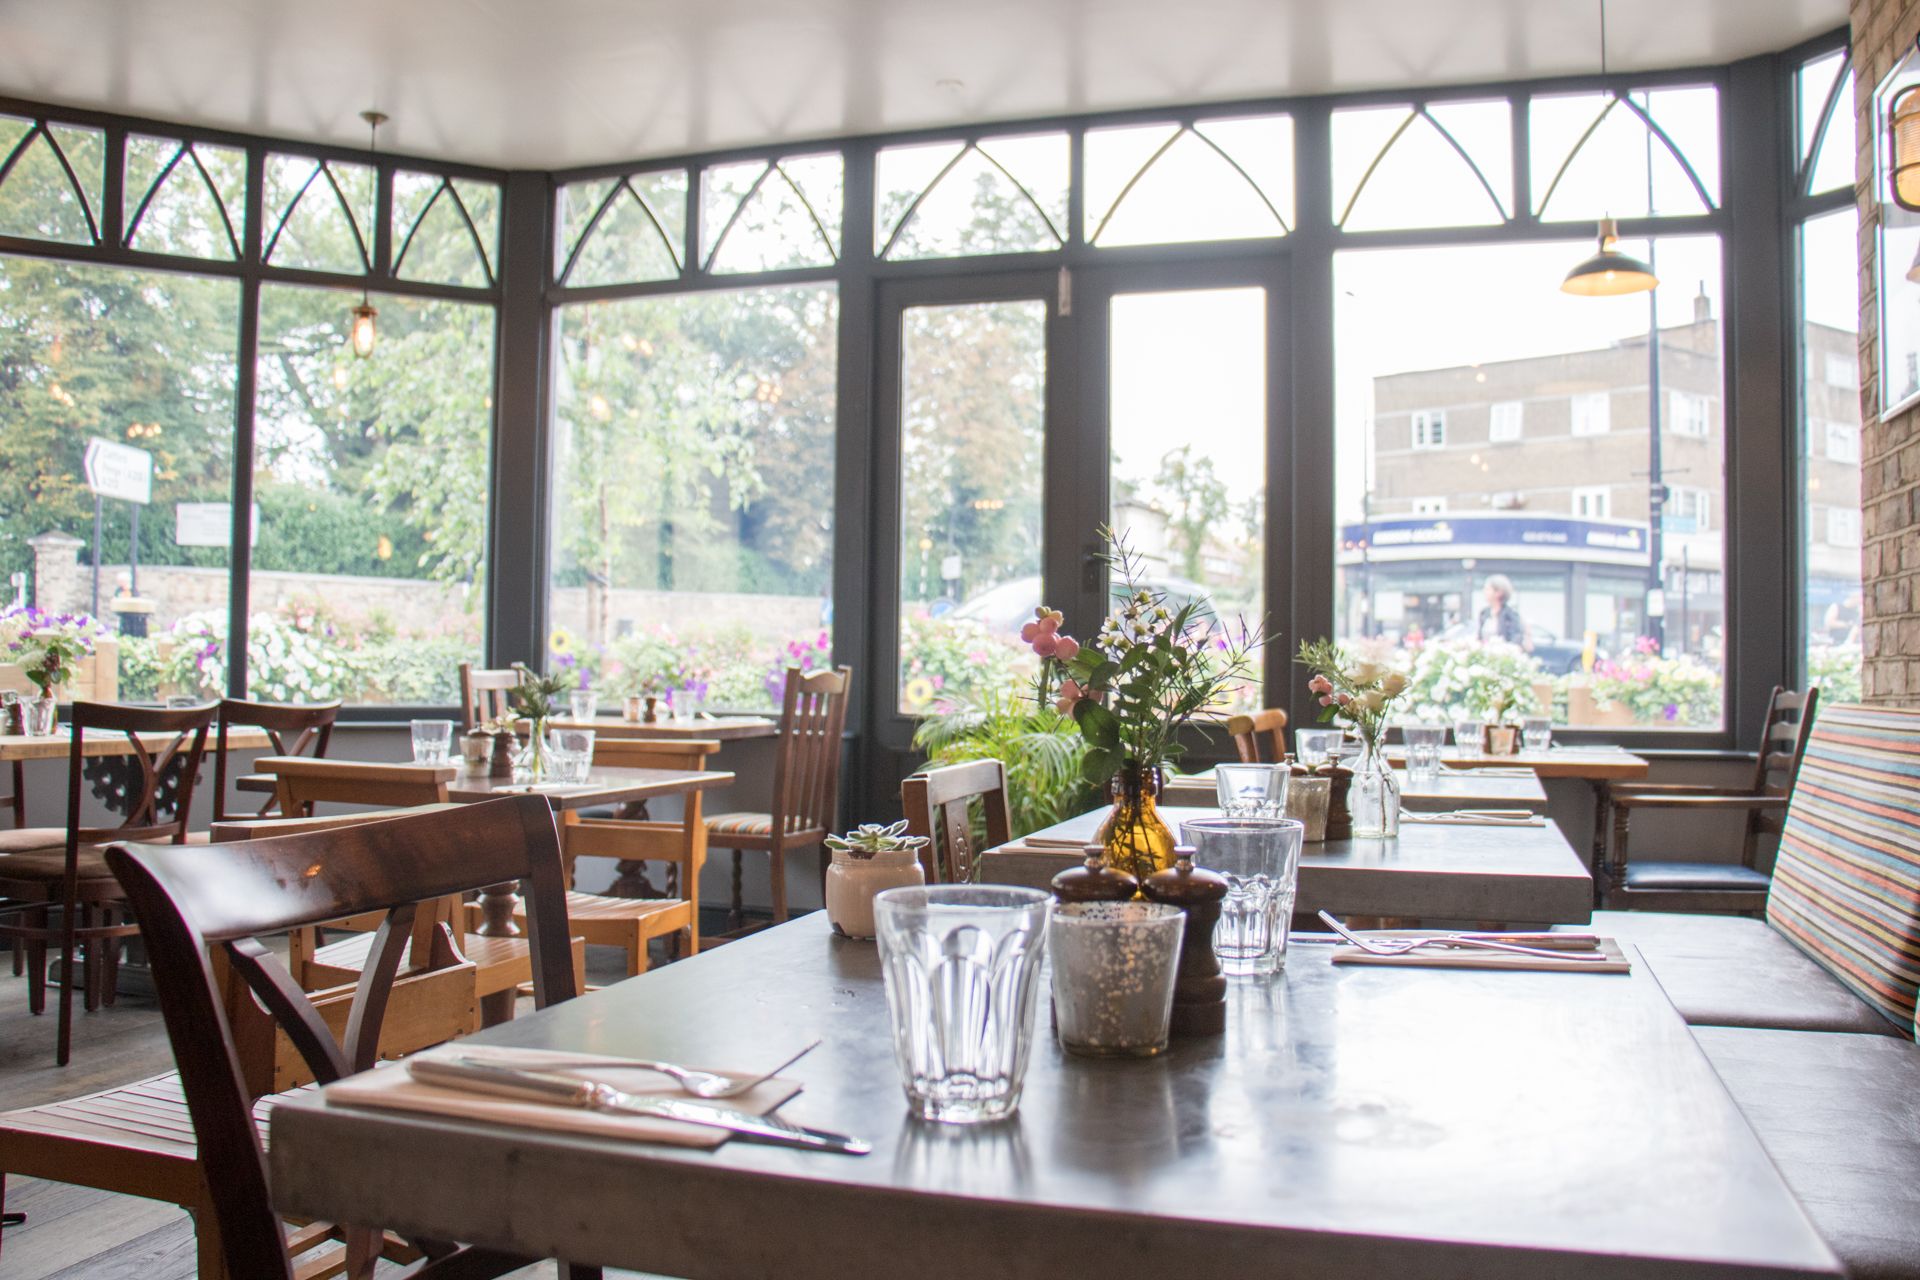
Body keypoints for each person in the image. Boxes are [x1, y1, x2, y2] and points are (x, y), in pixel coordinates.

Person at [1476, 574, 1532, 651]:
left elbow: (1516, 638)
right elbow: (1479, 637)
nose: (1484, 592)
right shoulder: (1484, 613)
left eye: (1488, 589)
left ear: (1499, 592)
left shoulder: (1511, 615)